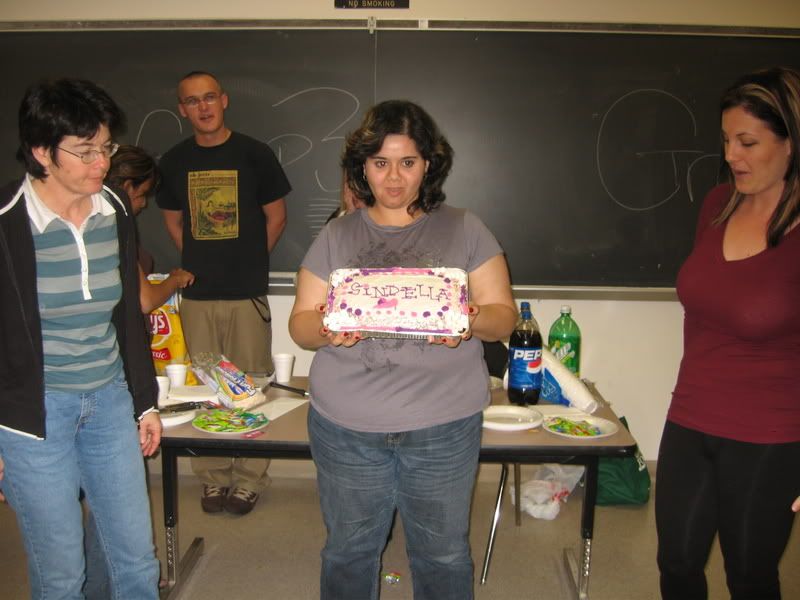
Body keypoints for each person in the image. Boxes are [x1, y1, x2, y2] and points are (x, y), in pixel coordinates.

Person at [289, 100, 517, 599]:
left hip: (443, 425)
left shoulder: (465, 228)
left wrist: (468, 317)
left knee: (442, 554)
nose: (393, 178)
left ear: (428, 164)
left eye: (408, 162)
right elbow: (301, 326)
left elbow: (504, 315)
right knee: (348, 551)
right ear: (362, 166)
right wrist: (329, 327)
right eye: (380, 163)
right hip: (346, 426)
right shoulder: (336, 234)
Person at [0, 78, 161, 598]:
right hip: (34, 419)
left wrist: (145, 403)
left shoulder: (112, 208)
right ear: (42, 152)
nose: (102, 162)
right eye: (87, 151)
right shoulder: (6, 222)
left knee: (136, 562)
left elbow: (126, 320)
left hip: (109, 403)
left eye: (106, 147)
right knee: (63, 574)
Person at [656, 66, 800, 600]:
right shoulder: (717, 205)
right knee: (676, 563)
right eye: (725, 141)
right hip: (691, 417)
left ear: (791, 143)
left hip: (771, 436)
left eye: (748, 142)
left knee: (751, 575)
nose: (732, 156)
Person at [156, 71, 292, 515]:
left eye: (210, 97)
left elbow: (277, 217)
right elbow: (174, 223)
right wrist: (200, 261)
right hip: (196, 294)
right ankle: (213, 477)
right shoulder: (174, 161)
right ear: (183, 109)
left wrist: (250, 260)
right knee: (207, 385)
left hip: (246, 293)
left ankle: (250, 477)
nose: (203, 107)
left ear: (224, 100)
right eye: (192, 101)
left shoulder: (255, 154)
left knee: (251, 384)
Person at [106, 144, 195, 312]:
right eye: (142, 194)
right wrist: (175, 280)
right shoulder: (114, 230)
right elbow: (146, 300)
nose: (144, 204)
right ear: (127, 187)